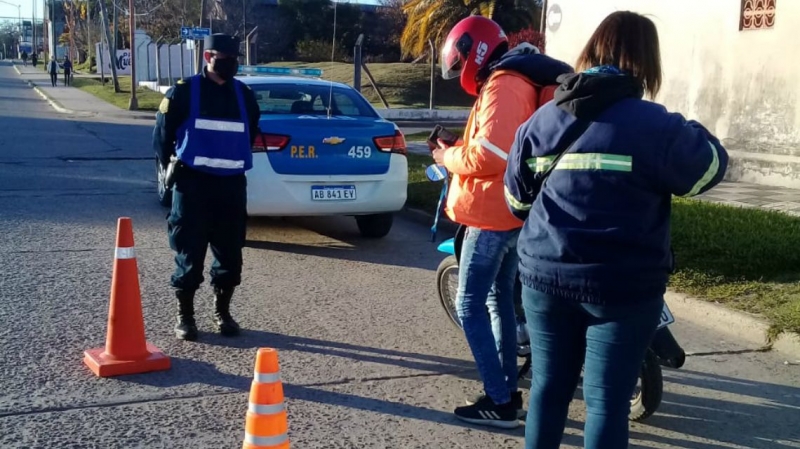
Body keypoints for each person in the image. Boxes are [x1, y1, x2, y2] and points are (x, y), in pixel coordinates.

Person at [503, 11, 729, 448]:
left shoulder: (540, 123)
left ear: (590, 51)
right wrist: (695, 128)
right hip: (623, 288)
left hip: (544, 280)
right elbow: (709, 170)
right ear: (649, 62)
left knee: (549, 391)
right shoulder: (658, 126)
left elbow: (515, 204)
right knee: (606, 403)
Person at [431, 16, 573, 429]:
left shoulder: (505, 82)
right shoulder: (514, 77)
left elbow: (491, 155)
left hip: (492, 215)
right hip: (508, 212)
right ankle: (506, 391)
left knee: (470, 304)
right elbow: (496, 145)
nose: (461, 74)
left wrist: (445, 158)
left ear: (473, 51)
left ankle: (501, 399)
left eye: (460, 63)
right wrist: (457, 148)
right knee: (497, 302)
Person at [152, 33, 260, 341]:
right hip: (192, 185)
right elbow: (162, 137)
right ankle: (185, 316)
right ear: (207, 57)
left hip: (231, 186)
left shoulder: (244, 95)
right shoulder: (184, 92)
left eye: (234, 59)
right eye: (223, 58)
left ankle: (222, 313)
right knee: (189, 250)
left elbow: (249, 133)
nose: (230, 64)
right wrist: (170, 171)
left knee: (230, 252)